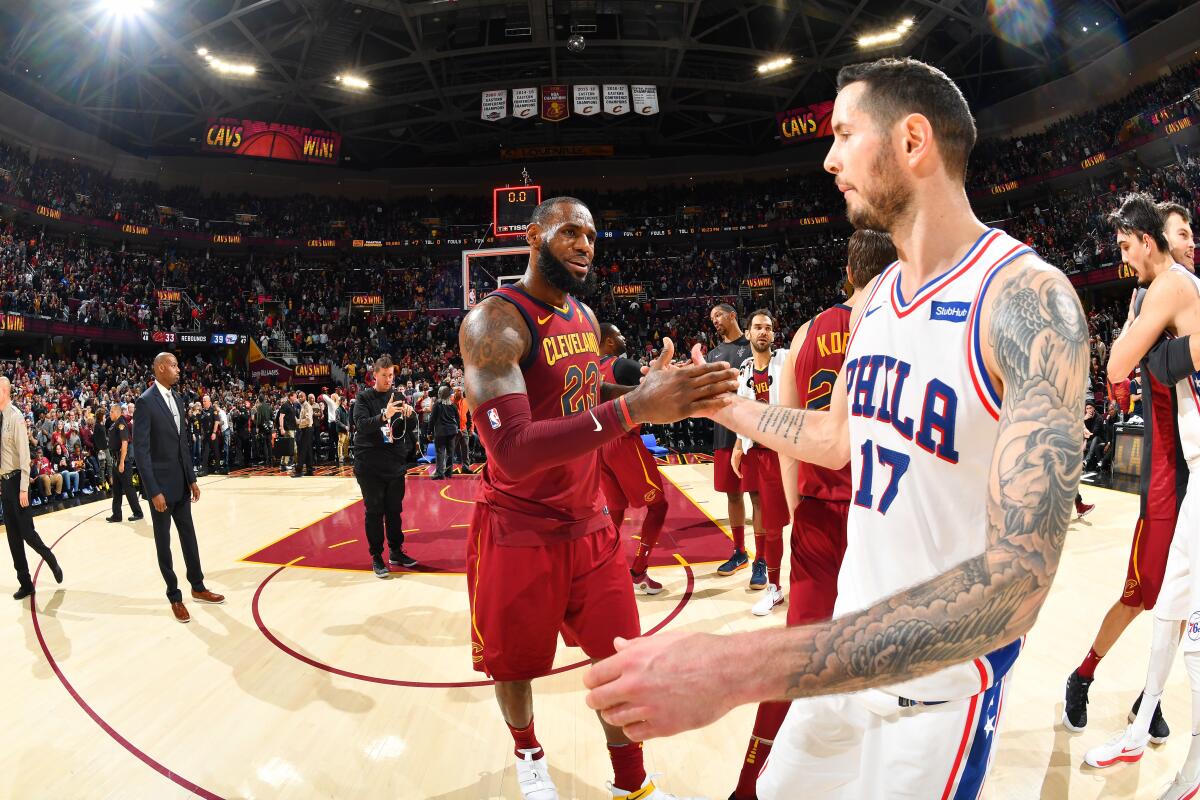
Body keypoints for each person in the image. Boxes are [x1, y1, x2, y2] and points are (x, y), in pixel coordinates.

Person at [584, 57, 1086, 800]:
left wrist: (744, 665)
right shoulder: (877, 297)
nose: (828, 157)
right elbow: (836, 437)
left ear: (913, 141)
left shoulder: (1027, 300)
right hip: (842, 666)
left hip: (934, 697)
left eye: (845, 133)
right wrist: (714, 401)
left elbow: (1016, 586)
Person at [460, 194, 737, 800]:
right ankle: (529, 753)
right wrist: (634, 408)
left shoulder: (583, 317)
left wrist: (646, 385)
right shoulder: (494, 323)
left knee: (621, 663)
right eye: (569, 233)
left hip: (590, 528)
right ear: (533, 237)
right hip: (519, 529)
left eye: (591, 235)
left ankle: (632, 784)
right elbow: (513, 449)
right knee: (515, 666)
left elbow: (580, 391)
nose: (586, 244)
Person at [729, 228, 896, 799]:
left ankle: (750, 784)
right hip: (885, 517)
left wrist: (800, 509)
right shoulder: (903, 327)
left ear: (848, 273)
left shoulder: (804, 335)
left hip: (823, 515)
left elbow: (786, 434)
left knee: (796, 655)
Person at [1065, 197, 1195, 745]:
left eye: (1125, 247)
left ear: (1147, 239)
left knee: (1183, 596)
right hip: (1167, 464)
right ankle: (1083, 674)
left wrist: (1159, 360)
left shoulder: (1174, 286)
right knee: (1144, 591)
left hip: (1186, 459)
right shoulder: (1155, 291)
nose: (1190, 240)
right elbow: (1120, 370)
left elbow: (1126, 365)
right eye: (1183, 231)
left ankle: (1150, 695)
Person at [133, 352, 225, 623]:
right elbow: (141, 452)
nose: (178, 370)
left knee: (189, 537)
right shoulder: (145, 402)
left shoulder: (179, 399)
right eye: (173, 366)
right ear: (161, 368)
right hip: (160, 489)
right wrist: (153, 491)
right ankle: (174, 596)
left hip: (181, 484)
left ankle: (197, 586)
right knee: (164, 543)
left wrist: (192, 478)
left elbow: (182, 443)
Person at [596, 322, 671, 596]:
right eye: (618, 334)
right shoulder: (621, 364)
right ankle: (638, 571)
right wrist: (666, 358)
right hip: (622, 441)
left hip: (597, 445)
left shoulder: (588, 368)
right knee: (659, 506)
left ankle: (601, 571)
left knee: (615, 509)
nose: (623, 336)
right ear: (607, 341)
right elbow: (653, 379)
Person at [730, 310, 790, 613]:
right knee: (758, 506)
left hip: (784, 451)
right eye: (757, 327)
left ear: (773, 334)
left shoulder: (786, 360)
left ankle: (779, 583)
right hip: (757, 450)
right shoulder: (745, 367)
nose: (763, 332)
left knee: (780, 518)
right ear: (748, 333)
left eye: (768, 327)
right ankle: (762, 565)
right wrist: (739, 445)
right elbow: (741, 408)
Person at [352, 355, 418, 578]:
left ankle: (396, 552)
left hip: (394, 463)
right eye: (384, 375)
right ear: (375, 375)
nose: (389, 379)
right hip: (369, 464)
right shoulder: (363, 398)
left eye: (391, 375)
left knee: (394, 511)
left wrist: (409, 415)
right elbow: (361, 425)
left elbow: (403, 429)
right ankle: (377, 556)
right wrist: (384, 415)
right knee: (374, 512)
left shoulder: (398, 396)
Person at [1, 376, 62, 601]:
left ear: (5, 391)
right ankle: (25, 583)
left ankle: (50, 558)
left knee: (27, 533)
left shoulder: (15, 417)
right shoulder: (0, 418)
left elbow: (25, 456)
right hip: (5, 482)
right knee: (13, 538)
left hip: (18, 481)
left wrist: (24, 488)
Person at [708, 303, 752, 576]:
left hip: (754, 431)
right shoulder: (713, 354)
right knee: (733, 495)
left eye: (718, 315)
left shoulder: (753, 346)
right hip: (725, 432)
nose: (714, 321)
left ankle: (764, 559)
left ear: (733, 315)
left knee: (758, 496)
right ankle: (740, 552)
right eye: (711, 318)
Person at [106, 403, 145, 523]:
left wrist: (122, 462)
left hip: (122, 461)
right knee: (116, 490)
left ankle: (138, 513)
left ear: (117, 412)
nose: (110, 414)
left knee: (128, 488)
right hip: (116, 461)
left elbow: (124, 443)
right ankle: (117, 515)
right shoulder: (115, 424)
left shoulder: (121, 423)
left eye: (112, 411)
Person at [429, 384, 459, 480]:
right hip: (452, 431)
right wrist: (456, 427)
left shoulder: (437, 405)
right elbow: (457, 419)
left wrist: (429, 431)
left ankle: (439, 473)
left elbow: (432, 419)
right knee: (451, 452)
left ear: (440, 394)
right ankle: (448, 473)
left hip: (440, 432)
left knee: (440, 452)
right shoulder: (453, 405)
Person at [277, 391, 297, 473]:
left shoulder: (292, 405)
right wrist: (281, 428)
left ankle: (283, 464)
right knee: (293, 447)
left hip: (292, 429)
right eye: (295, 396)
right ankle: (294, 463)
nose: (296, 398)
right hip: (288, 429)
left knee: (288, 447)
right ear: (290, 396)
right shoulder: (285, 405)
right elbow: (281, 417)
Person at [295, 392, 314, 478]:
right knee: (308, 450)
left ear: (305, 397)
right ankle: (309, 469)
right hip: (306, 429)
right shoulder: (303, 406)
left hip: (307, 429)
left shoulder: (307, 406)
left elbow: (308, 420)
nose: (299, 399)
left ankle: (299, 467)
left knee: (303, 449)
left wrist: (298, 421)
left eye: (301, 397)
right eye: (298, 397)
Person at [331, 394, 351, 465]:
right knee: (341, 443)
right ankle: (340, 457)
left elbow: (347, 419)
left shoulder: (345, 409)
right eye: (345, 401)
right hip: (341, 429)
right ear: (342, 401)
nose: (346, 402)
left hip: (346, 429)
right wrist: (345, 426)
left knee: (346, 443)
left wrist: (348, 426)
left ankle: (346, 455)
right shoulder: (338, 410)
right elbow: (337, 421)